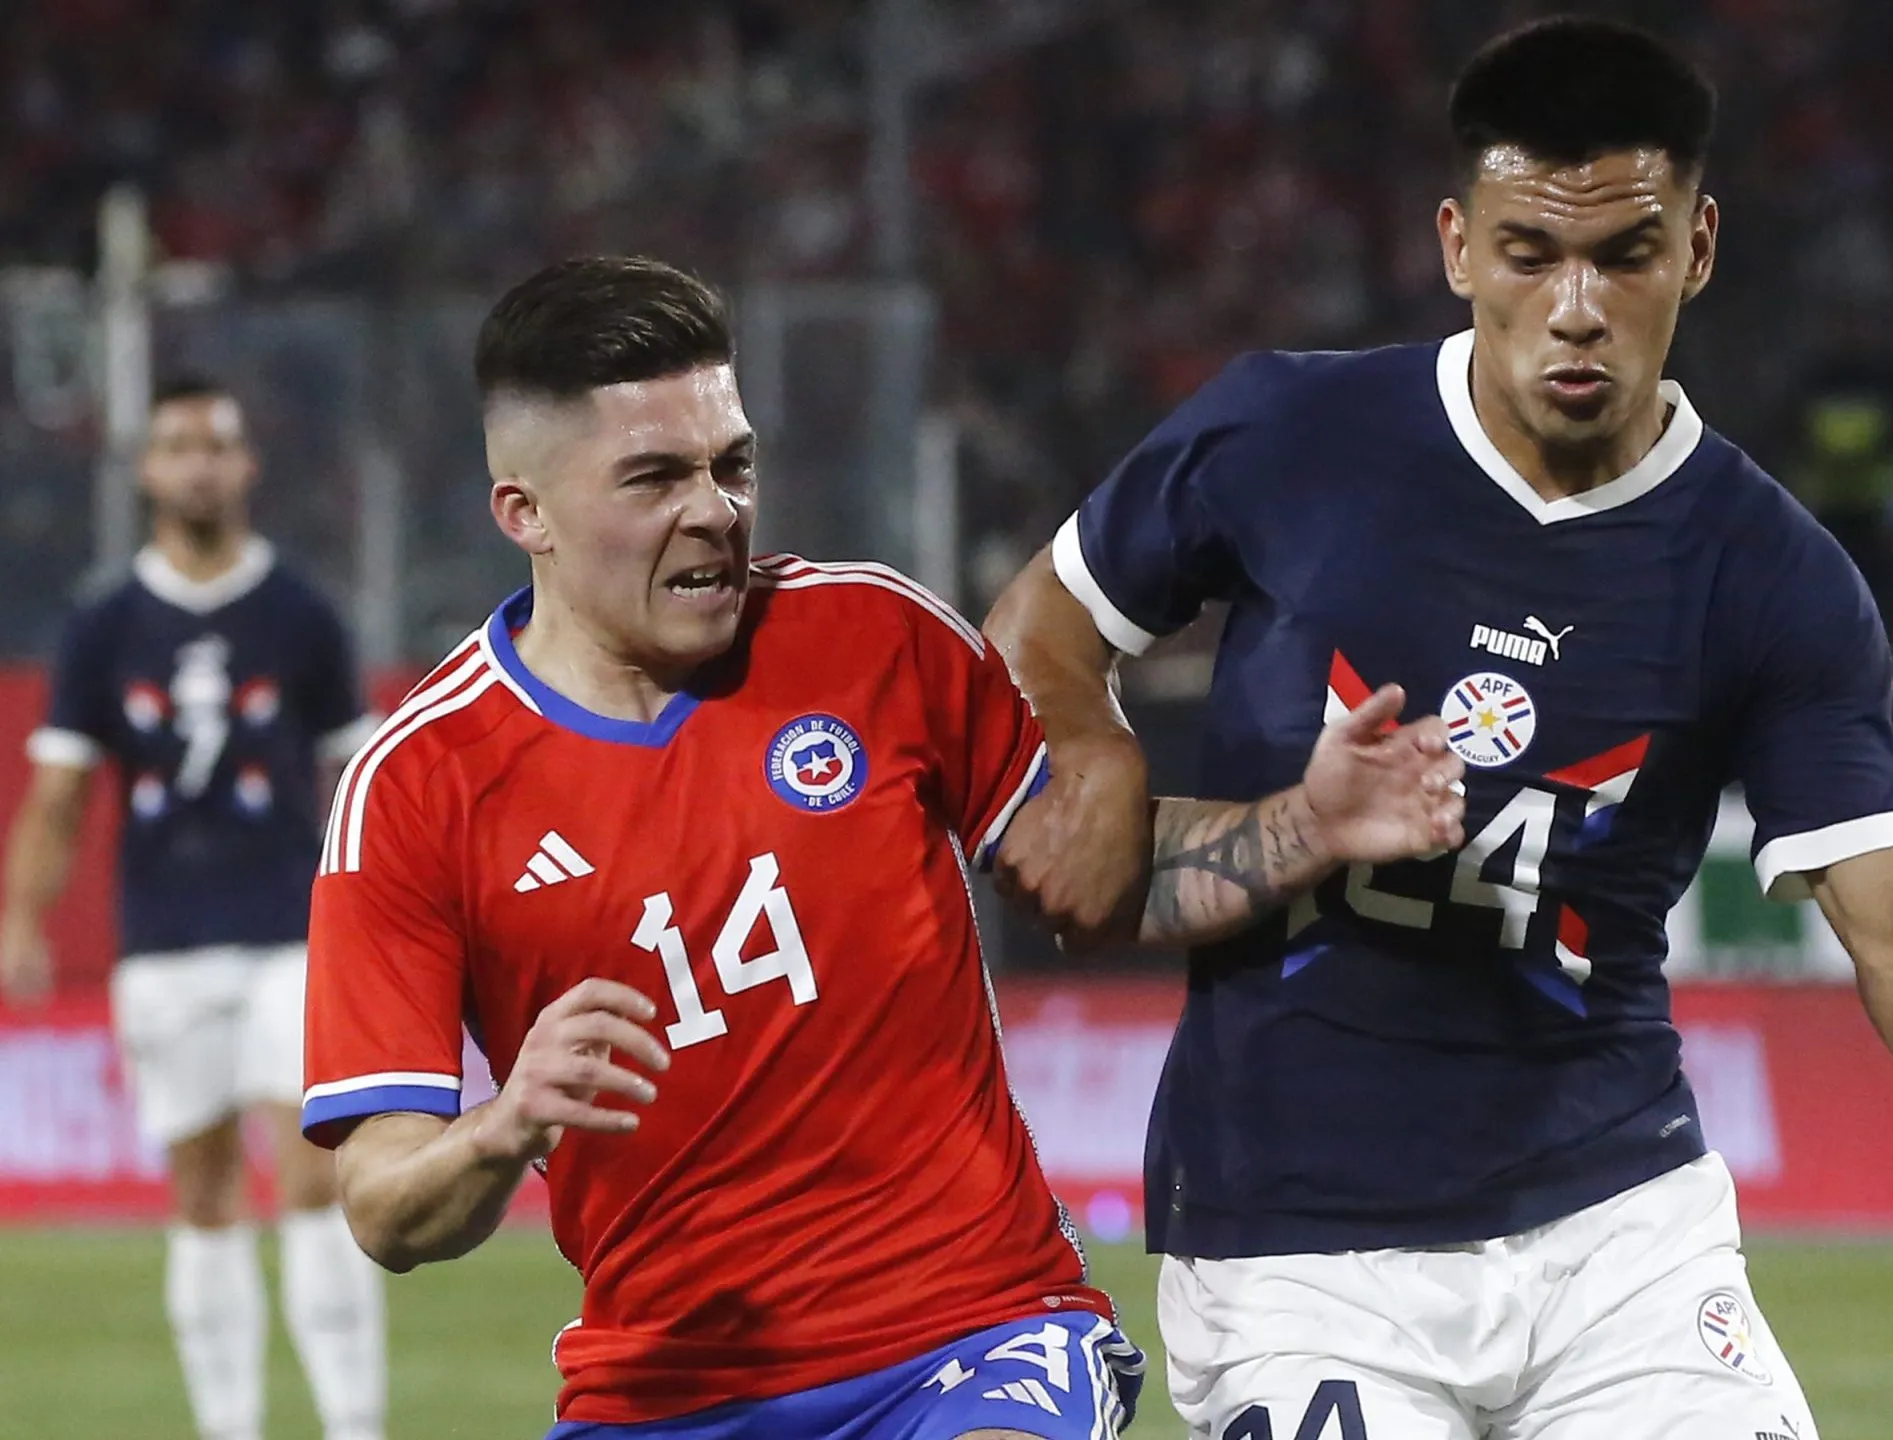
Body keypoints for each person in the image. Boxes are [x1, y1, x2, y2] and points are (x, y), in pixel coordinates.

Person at [986, 18, 1893, 1440]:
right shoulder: (1286, 435)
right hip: (1296, 1245)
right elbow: (1037, 638)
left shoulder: (1772, 576)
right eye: (1528, 254)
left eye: (1624, 255)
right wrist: (1096, 752)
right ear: (1455, 247)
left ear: (1698, 248)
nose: (1574, 308)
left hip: (1621, 1230)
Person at [299, 256, 1463, 1439]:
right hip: (662, 1394)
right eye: (653, 478)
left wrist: (1309, 825)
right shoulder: (417, 790)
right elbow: (385, 1208)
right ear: (525, 513)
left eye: (731, 464)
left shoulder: (874, 637)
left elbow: (1100, 883)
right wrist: (504, 1129)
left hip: (973, 1335)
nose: (714, 510)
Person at [1, 377, 387, 1440]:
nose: (199, 466)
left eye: (217, 445)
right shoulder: (104, 623)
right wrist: (22, 922)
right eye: (178, 446)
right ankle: (231, 1428)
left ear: (246, 465)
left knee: (314, 1176)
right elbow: (61, 793)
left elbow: (362, 778)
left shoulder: (301, 612)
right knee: (205, 1198)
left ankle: (354, 1424)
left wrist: (393, 913)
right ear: (147, 469)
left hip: (293, 933)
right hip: (164, 944)